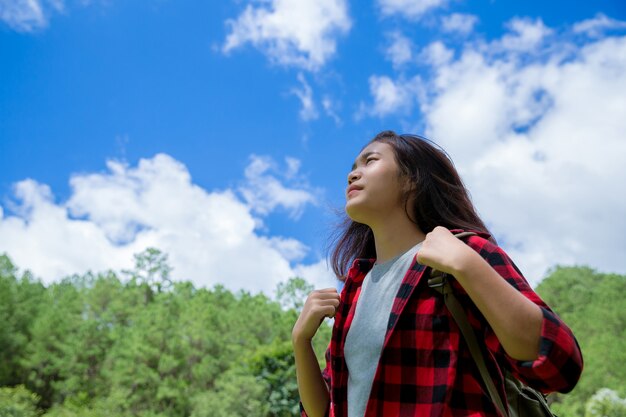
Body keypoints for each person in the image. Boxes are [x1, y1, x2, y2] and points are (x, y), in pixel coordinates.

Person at [291, 131, 583, 417]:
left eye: (370, 161)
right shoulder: (355, 291)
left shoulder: (460, 253)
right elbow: (326, 408)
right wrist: (301, 343)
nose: (352, 175)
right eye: (353, 167)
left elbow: (559, 363)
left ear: (411, 179)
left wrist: (467, 265)